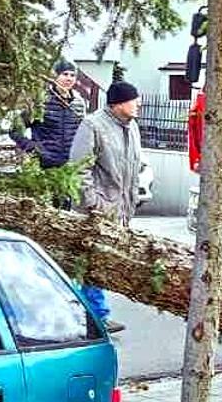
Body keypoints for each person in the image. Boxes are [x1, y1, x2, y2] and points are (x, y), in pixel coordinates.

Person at [66, 80, 145, 326]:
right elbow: (79, 168)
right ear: (119, 103)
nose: (139, 104)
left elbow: (133, 166)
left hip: (120, 209)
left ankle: (84, 311)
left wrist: (132, 199)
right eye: (134, 100)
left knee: (98, 264)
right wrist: (94, 204)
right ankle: (97, 316)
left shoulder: (131, 127)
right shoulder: (93, 125)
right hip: (96, 211)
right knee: (91, 263)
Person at [13, 59, 87, 176]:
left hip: (71, 166)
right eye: (65, 74)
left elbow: (83, 132)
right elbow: (15, 129)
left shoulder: (79, 103)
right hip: (44, 166)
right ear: (55, 76)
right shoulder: (41, 101)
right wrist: (33, 147)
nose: (69, 78)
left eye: (72, 75)